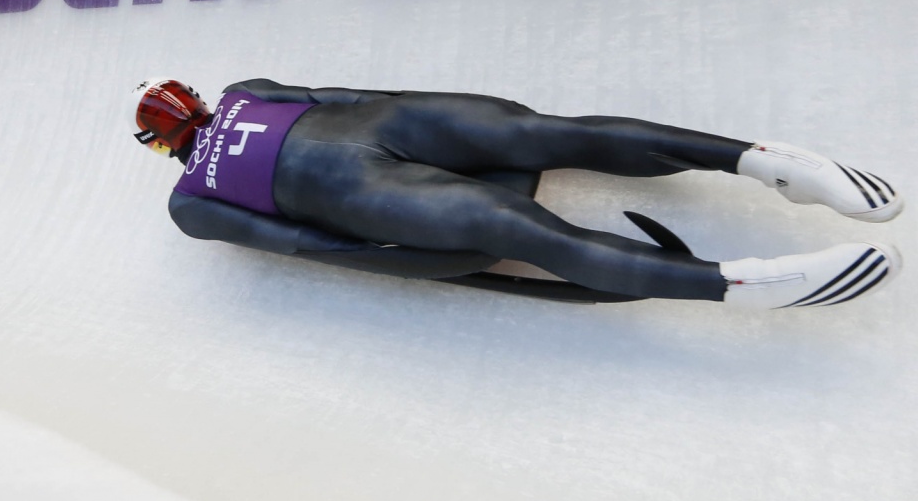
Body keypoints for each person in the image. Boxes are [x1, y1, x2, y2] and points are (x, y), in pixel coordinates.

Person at [127, 78, 904, 309]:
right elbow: (351, 94)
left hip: (375, 180)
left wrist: (426, 266)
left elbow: (310, 246)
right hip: (403, 130)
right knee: (542, 151)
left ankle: (733, 279)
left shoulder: (191, 200)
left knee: (536, 204)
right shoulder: (237, 107)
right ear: (191, 101)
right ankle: (756, 167)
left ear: (162, 143)